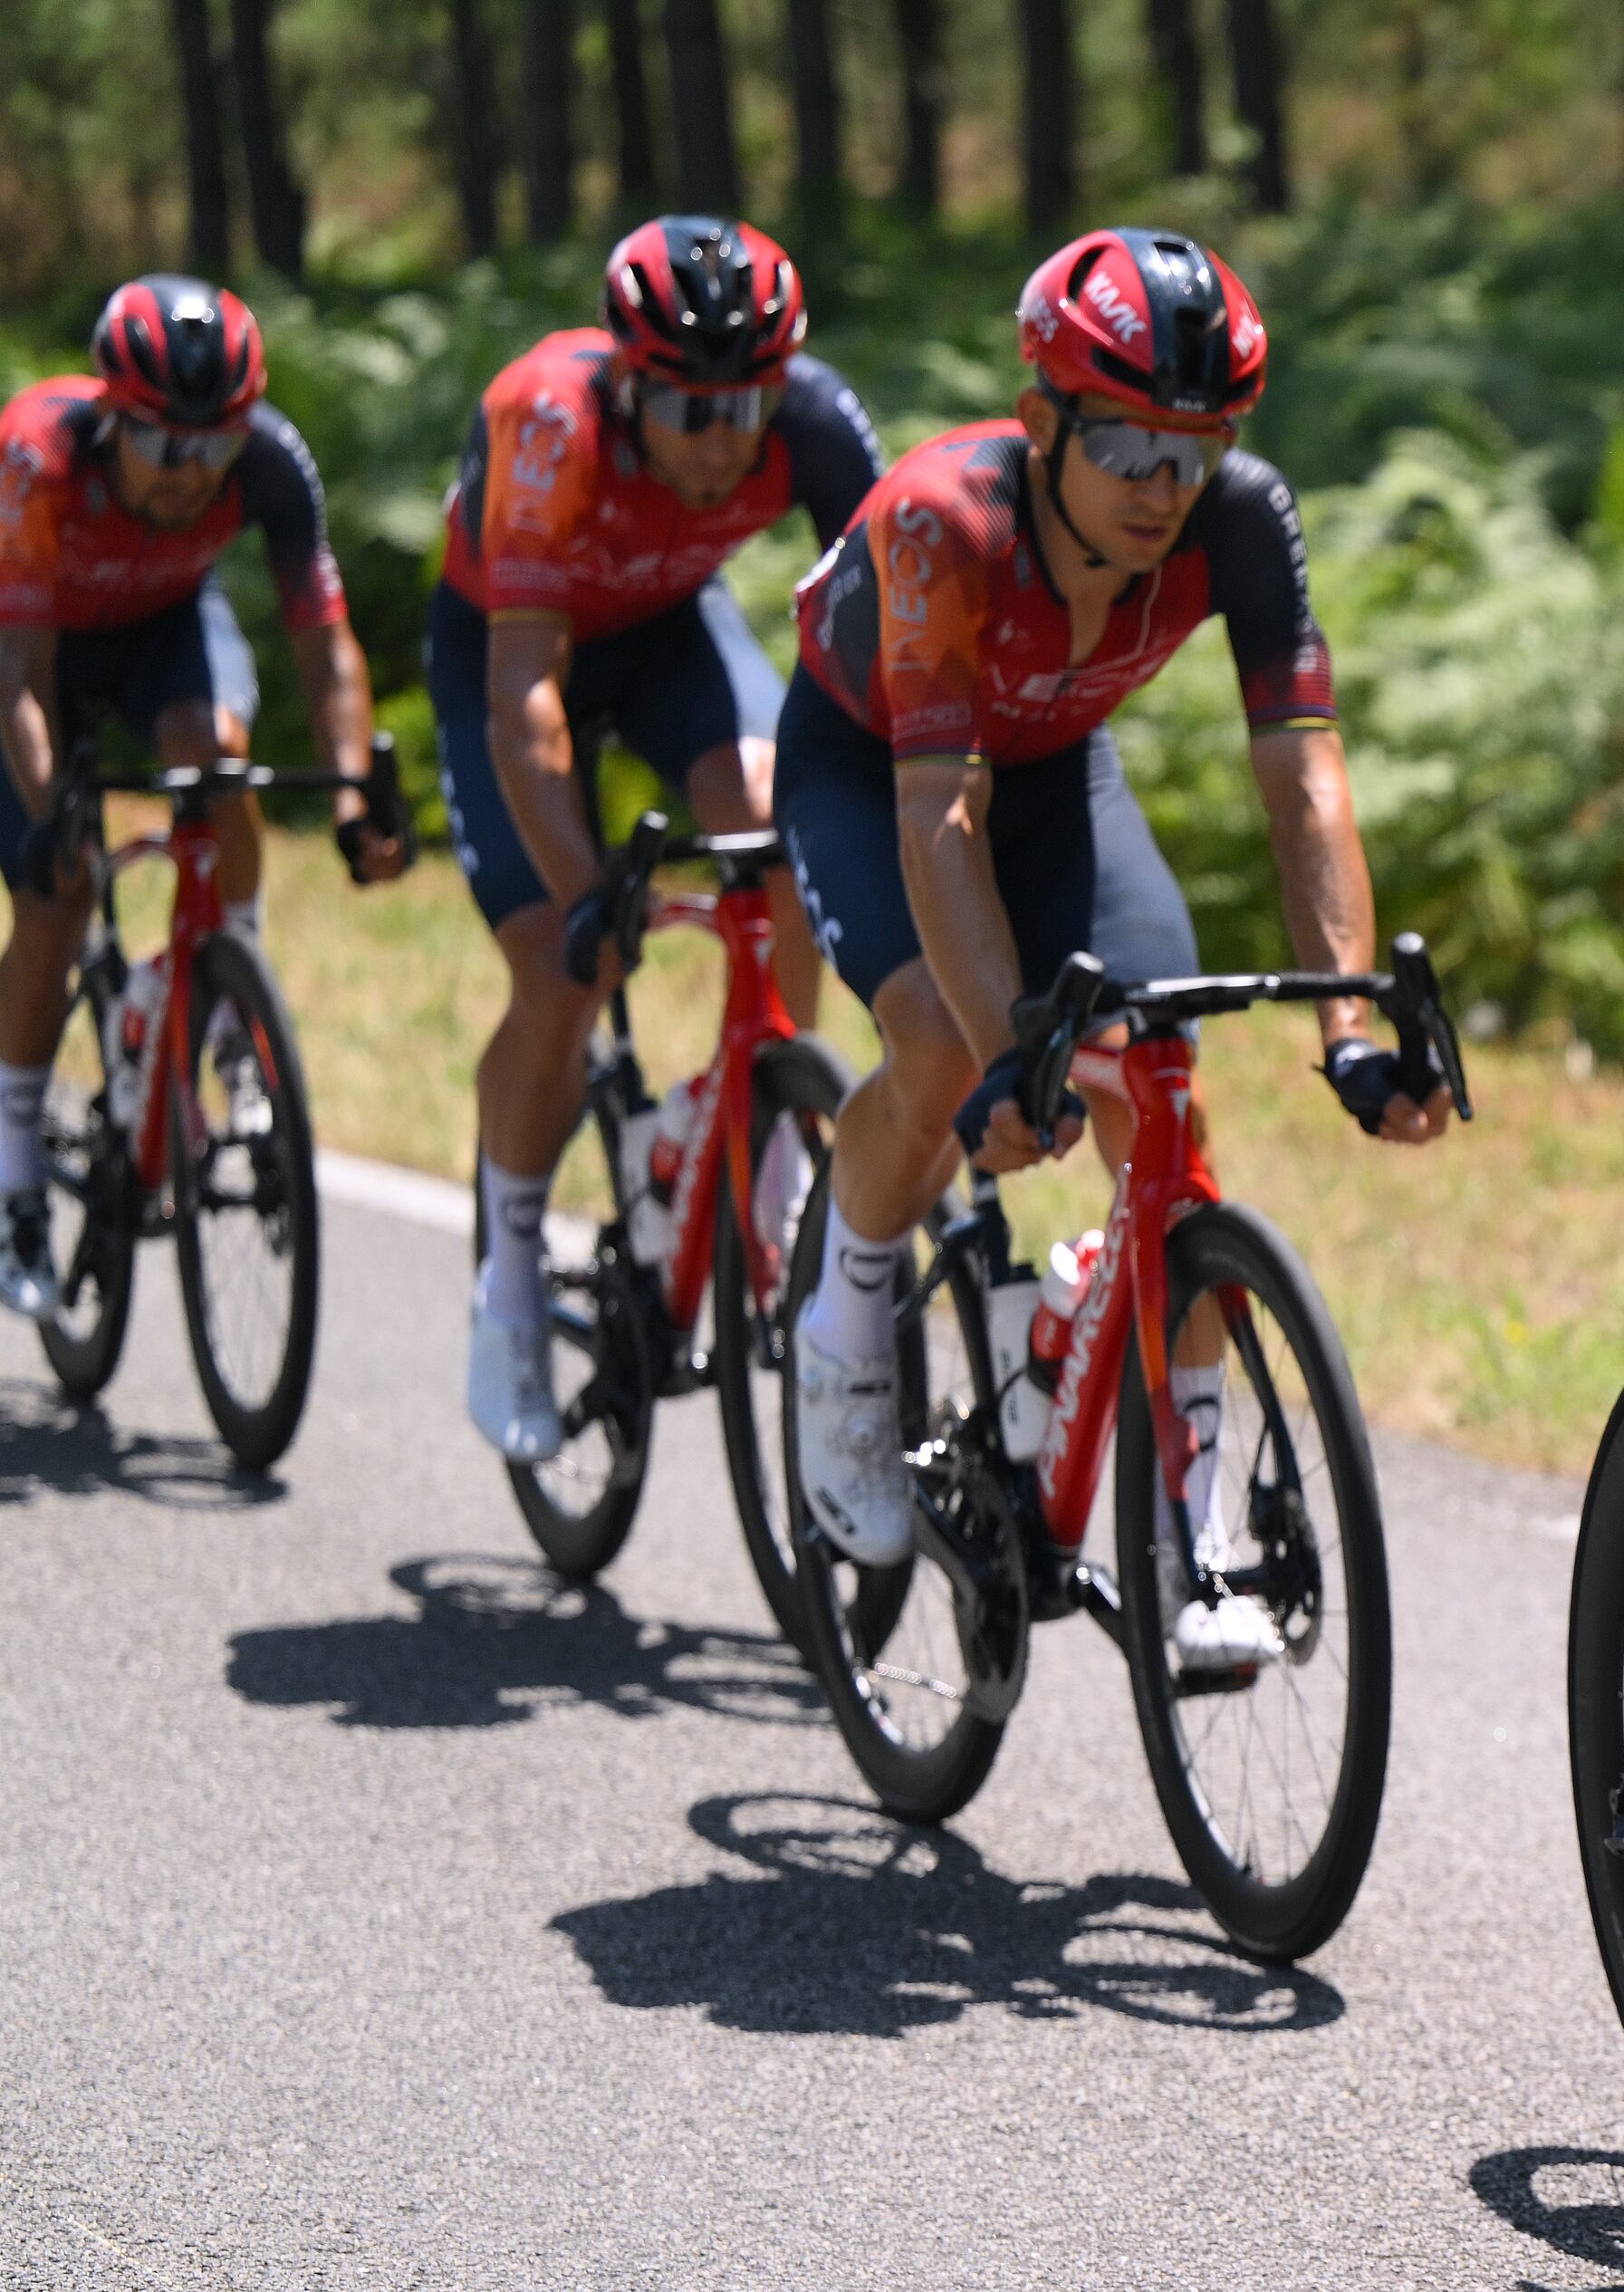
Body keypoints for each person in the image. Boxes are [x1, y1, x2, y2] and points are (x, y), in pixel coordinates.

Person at [779, 226, 1450, 1672]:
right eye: (1132, 446)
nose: (1166, 487)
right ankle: (842, 1323)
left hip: (1056, 772)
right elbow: (940, 816)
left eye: (1195, 448)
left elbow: (1303, 776)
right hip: (876, 768)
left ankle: (1187, 1536)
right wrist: (1008, 1063)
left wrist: (1347, 1021)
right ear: (1041, 426)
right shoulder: (937, 524)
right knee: (951, 1045)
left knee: (1160, 1085)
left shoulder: (1242, 520)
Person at [437, 214, 885, 1460]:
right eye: (692, 412)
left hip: (667, 630)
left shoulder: (815, 422)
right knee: (563, 969)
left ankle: (769, 1136)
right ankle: (512, 1279)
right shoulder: (547, 420)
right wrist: (586, 891)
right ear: (628, 380)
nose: (724, 442)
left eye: (749, 408)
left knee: (777, 816)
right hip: (515, 651)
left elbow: (895, 641)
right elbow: (525, 695)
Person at [0, 277, 408, 1319]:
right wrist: (51, 815)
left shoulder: (270, 462)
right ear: (110, 417)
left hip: (163, 624)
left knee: (219, 756)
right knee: (58, 893)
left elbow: (325, 648)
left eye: (214, 447)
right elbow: (22, 682)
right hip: (31, 656)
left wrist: (357, 785)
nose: (193, 474)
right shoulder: (39, 457)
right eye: (167, 447)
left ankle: (228, 988)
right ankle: (12, 1170)